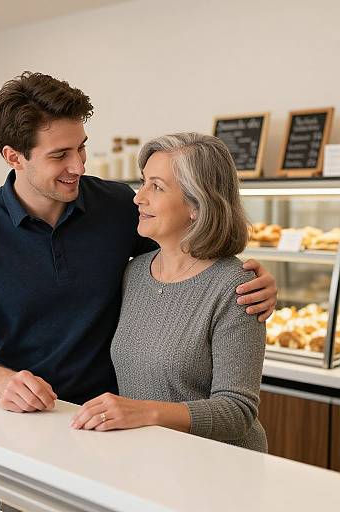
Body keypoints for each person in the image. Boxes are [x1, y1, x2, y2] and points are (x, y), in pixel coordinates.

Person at [0, 72, 277, 415]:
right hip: (31, 415)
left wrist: (245, 278)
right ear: (13, 157)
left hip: (118, 415)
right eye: (60, 155)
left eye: (81, 147)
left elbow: (181, 264)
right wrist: (0, 382)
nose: (79, 165)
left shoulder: (116, 204)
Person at [70, 133, 268, 452]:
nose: (138, 197)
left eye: (156, 187)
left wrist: (146, 412)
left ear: (197, 203)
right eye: (143, 182)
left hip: (219, 468)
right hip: (153, 460)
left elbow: (237, 411)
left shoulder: (237, 286)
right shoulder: (134, 273)